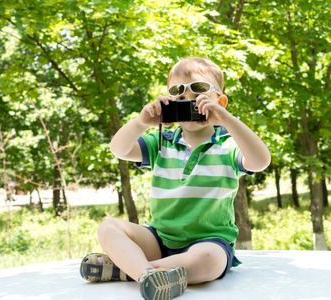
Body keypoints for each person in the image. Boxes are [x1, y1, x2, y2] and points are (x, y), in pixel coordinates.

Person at [80, 57, 271, 300]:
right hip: (159, 239)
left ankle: (132, 269)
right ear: (169, 102)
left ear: (220, 102)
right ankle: (149, 273)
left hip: (209, 241)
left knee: (210, 260)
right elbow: (119, 149)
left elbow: (261, 160)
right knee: (108, 227)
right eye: (178, 95)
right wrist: (142, 123)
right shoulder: (161, 142)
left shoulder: (229, 145)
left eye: (199, 92)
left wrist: (227, 120)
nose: (189, 102)